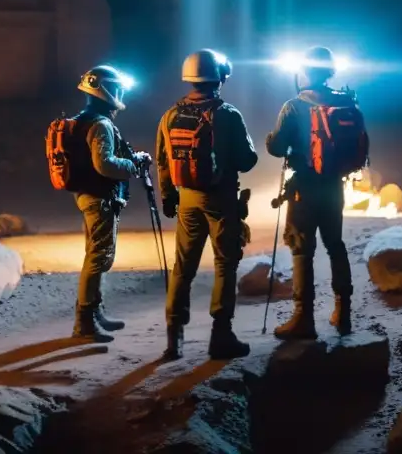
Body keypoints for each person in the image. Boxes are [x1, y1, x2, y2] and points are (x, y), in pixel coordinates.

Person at [156, 49, 258, 360]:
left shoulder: (171, 114)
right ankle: (221, 336)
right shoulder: (226, 114)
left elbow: (162, 159)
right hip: (220, 198)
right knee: (225, 265)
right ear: (219, 77)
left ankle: (174, 341)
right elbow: (247, 159)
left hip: (186, 198)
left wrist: (169, 197)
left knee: (182, 268)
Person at [265, 46, 368, 340]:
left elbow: (276, 148)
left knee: (301, 249)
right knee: (335, 245)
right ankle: (343, 312)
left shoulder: (294, 106)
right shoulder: (346, 102)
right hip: (335, 186)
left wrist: (270, 139)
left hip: (304, 189)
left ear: (305, 72)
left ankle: (303, 318)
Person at [70, 65, 151, 342]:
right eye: (117, 88)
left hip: (86, 195)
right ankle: (85, 322)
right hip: (99, 198)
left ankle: (94, 312)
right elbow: (104, 164)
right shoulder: (101, 124)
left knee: (96, 255)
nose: (120, 94)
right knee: (98, 258)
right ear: (105, 90)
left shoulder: (84, 119)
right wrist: (133, 164)